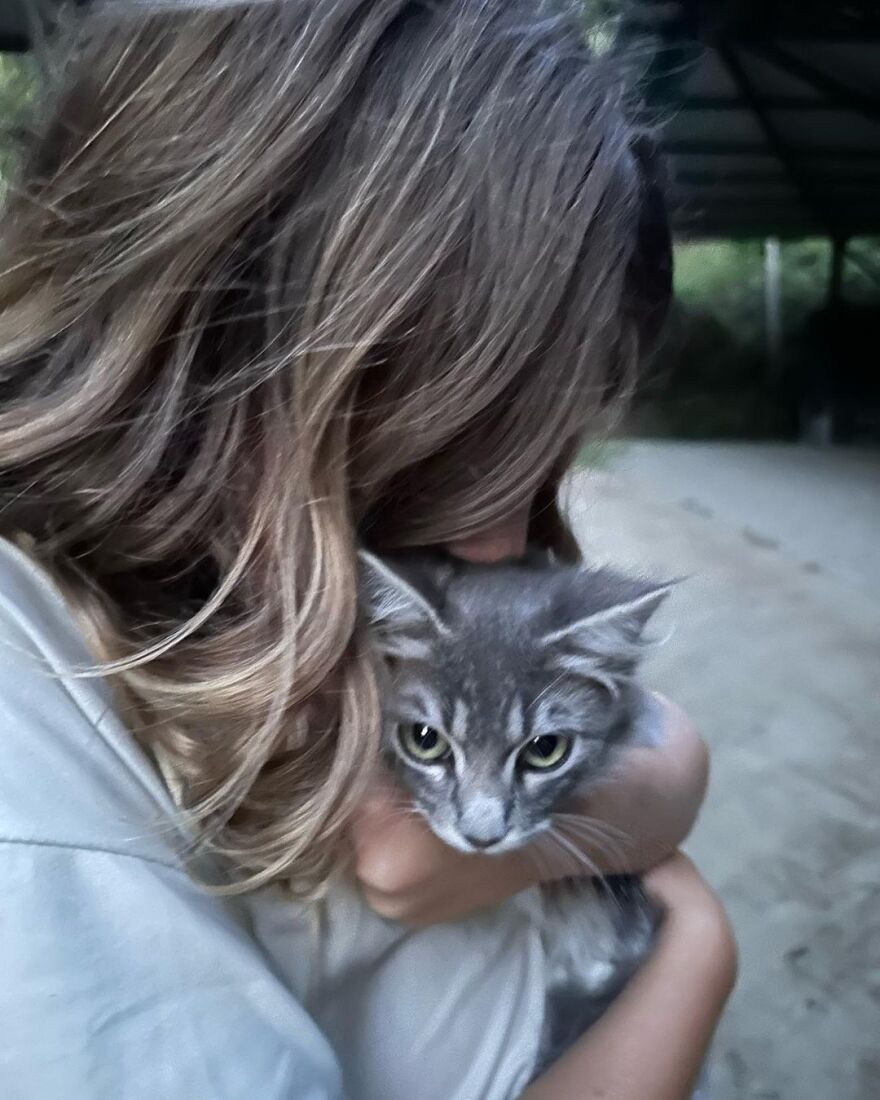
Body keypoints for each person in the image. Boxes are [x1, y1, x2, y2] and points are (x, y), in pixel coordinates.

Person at [0, 2, 736, 1098]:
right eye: (446, 452)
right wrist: (692, 950)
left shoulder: (212, 567)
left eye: (534, 466)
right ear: (204, 344)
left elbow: (623, 742)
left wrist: (661, 777)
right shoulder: (33, 753)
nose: (499, 544)